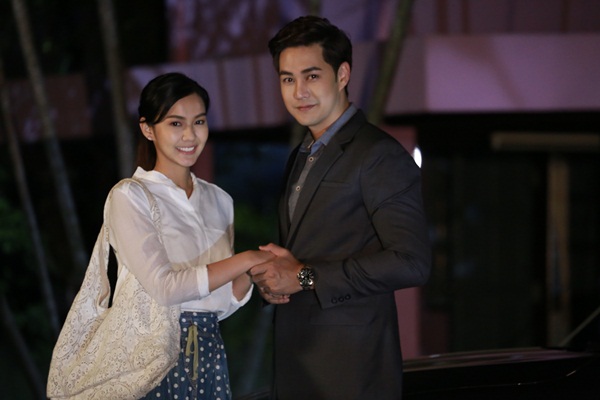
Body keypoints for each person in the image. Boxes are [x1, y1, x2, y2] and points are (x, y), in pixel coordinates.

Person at [248, 16, 431, 399]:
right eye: (287, 79)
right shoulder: (304, 154)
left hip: (351, 369)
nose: (299, 92)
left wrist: (304, 277)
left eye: (312, 76)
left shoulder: (377, 154)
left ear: (342, 74)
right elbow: (307, 253)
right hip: (299, 361)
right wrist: (278, 280)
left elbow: (411, 261)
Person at [111, 72, 272, 399]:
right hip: (151, 355)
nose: (190, 135)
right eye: (175, 123)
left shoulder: (219, 200)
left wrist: (252, 273)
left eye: (199, 122)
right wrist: (248, 259)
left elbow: (218, 302)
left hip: (210, 351)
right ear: (147, 129)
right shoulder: (131, 196)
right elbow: (165, 289)